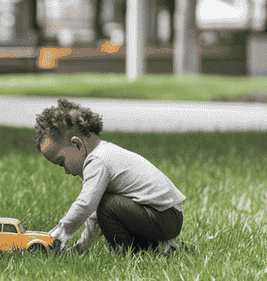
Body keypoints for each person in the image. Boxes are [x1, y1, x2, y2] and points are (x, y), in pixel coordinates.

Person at [35, 99, 186, 255]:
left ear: (77, 145)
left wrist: (59, 234)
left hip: (163, 216)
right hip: (167, 214)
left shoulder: (98, 161)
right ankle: (157, 249)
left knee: (107, 205)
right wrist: (80, 248)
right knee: (106, 204)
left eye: (62, 162)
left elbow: (86, 205)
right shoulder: (103, 154)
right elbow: (93, 215)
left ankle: (131, 253)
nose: (66, 171)